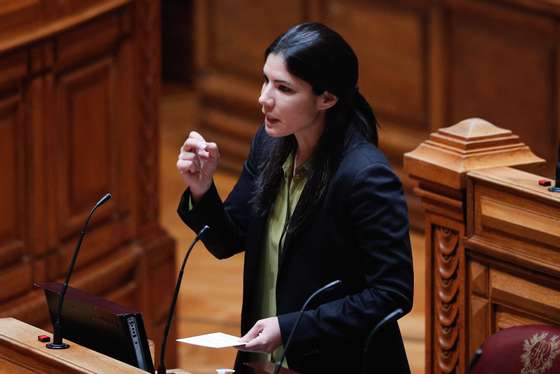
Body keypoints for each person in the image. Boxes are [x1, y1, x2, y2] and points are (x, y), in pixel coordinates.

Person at [176, 22, 413, 373]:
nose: (263, 98)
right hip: (263, 364)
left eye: (284, 88)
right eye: (265, 80)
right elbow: (227, 239)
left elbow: (391, 294)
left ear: (327, 99)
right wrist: (202, 188)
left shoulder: (366, 177)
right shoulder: (269, 145)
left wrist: (291, 327)